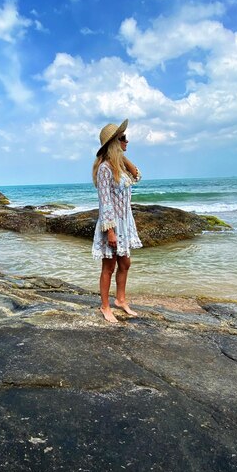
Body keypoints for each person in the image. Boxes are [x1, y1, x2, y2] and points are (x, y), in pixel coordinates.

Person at [92, 118, 142, 323]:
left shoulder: (118, 166)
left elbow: (137, 176)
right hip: (111, 224)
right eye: (123, 138)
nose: (127, 141)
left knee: (126, 263)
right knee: (109, 266)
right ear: (114, 142)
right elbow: (105, 202)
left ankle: (120, 299)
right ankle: (105, 306)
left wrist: (121, 156)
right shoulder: (105, 169)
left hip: (125, 222)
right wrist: (110, 231)